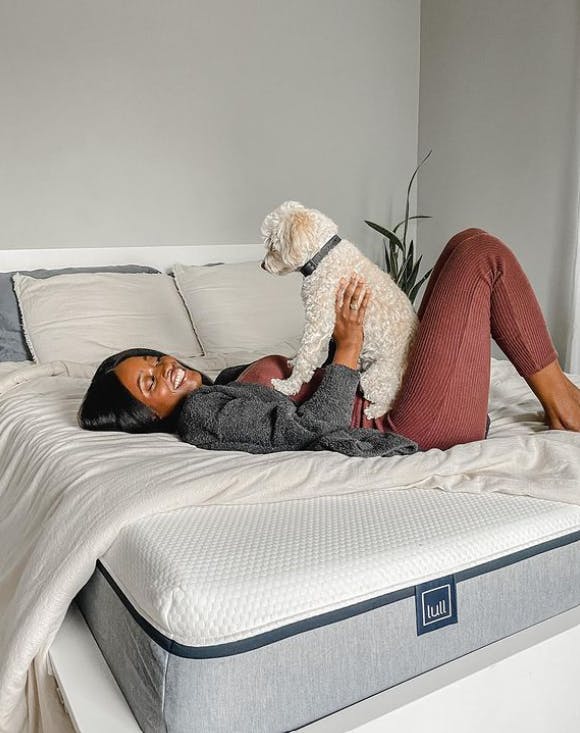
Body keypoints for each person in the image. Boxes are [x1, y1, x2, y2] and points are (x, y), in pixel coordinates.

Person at [78, 228, 580, 454]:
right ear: (146, 418)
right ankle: (564, 406)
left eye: (150, 357)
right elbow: (315, 427)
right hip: (405, 424)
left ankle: (560, 399)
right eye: (148, 381)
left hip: (400, 398)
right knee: (478, 253)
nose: (162, 366)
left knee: (460, 253)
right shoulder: (204, 413)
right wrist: (347, 345)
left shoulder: (224, 388)